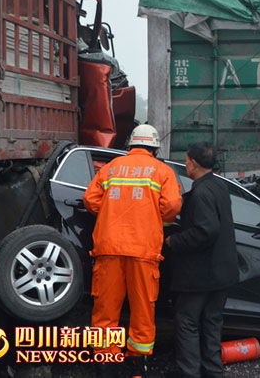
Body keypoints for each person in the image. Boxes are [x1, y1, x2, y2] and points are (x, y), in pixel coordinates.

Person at [83, 124, 182, 377]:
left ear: (130, 146)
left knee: (105, 310)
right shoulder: (162, 171)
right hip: (143, 251)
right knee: (142, 309)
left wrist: (111, 211)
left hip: (109, 248)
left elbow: (90, 200)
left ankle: (105, 364)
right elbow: (172, 205)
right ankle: (138, 365)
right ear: (155, 148)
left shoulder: (110, 168)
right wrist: (153, 215)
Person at [165, 142, 239, 378]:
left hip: (200, 275)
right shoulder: (219, 186)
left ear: (194, 163)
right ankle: (213, 372)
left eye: (187, 161)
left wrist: (173, 242)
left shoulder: (201, 192)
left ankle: (189, 373)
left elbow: (206, 230)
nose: (186, 164)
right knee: (212, 322)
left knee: (186, 321)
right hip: (222, 274)